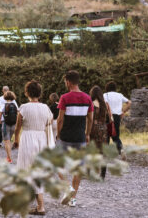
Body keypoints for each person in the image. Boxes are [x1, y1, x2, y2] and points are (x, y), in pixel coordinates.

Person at [13, 80, 53, 216]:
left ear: (27, 92)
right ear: (40, 93)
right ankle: (37, 204)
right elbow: (50, 122)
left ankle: (36, 205)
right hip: (41, 138)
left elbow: (18, 127)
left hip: (28, 139)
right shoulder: (46, 108)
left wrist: (16, 140)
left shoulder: (23, 107)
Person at [57, 70, 93, 207]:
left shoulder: (65, 97)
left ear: (68, 82)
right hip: (80, 138)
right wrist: (88, 134)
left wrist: (58, 134)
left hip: (66, 137)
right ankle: (73, 199)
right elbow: (90, 119)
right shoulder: (87, 98)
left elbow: (60, 119)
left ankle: (68, 188)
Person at [89, 85, 112, 180]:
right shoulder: (105, 104)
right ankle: (102, 174)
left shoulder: (91, 103)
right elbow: (110, 119)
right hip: (103, 129)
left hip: (93, 128)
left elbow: (89, 118)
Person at [103, 81, 131, 158]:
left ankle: (105, 153)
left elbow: (106, 104)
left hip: (108, 116)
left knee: (106, 135)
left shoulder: (106, 95)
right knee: (116, 135)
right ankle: (121, 150)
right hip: (117, 116)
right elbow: (129, 102)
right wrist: (123, 112)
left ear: (107, 88)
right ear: (115, 88)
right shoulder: (120, 95)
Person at [0, 91, 18, 163]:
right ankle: (8, 157)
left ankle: (9, 158)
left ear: (5, 97)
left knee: (6, 141)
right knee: (9, 140)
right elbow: (18, 115)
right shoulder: (15, 105)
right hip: (13, 124)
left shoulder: (3, 105)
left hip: (5, 124)